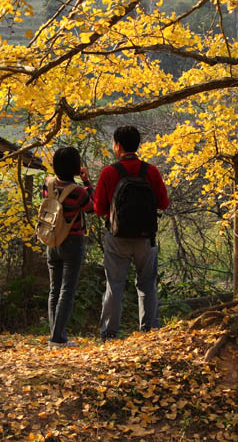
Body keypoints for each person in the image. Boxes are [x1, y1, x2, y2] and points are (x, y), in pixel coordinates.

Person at [94, 125, 169, 340]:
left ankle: (109, 334)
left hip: (117, 238)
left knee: (114, 284)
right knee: (147, 283)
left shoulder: (109, 172)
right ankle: (149, 331)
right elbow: (163, 203)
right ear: (137, 145)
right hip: (145, 238)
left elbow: (99, 209)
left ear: (117, 146)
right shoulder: (151, 171)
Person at [43, 146, 94, 349]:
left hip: (52, 240)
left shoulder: (48, 184)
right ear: (75, 167)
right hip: (72, 242)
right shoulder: (78, 192)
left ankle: (55, 335)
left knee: (54, 289)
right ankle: (58, 339)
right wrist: (87, 182)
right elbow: (93, 207)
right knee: (67, 289)